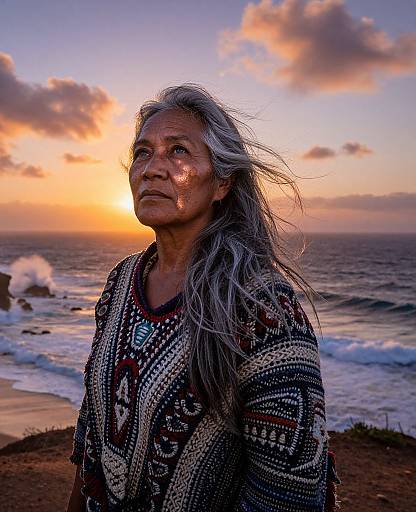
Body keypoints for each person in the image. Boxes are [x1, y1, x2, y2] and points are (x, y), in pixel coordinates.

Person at [66, 84, 339, 512]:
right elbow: (93, 435)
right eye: (142, 152)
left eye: (178, 151)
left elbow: (290, 495)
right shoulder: (122, 281)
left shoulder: (262, 308)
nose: (152, 168)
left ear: (222, 183)